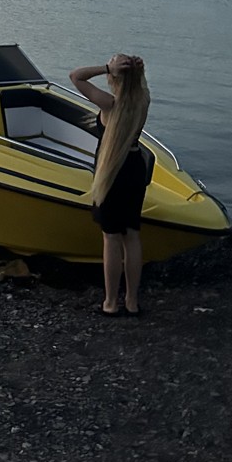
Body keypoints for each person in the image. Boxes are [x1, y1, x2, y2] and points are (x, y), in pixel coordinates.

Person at [69, 53, 154, 318]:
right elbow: (140, 85)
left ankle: (110, 302)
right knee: (132, 235)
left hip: (113, 173)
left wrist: (107, 67)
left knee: (111, 238)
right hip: (134, 169)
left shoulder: (109, 104)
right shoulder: (142, 100)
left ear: (114, 75)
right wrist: (137, 72)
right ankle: (131, 302)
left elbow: (76, 76)